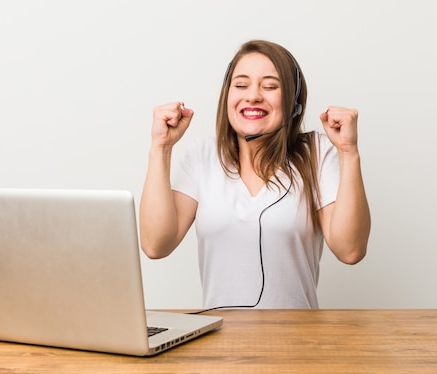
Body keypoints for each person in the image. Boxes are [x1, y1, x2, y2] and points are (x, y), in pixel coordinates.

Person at [140, 39, 370, 310]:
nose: (253, 96)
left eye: (270, 86)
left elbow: (350, 250)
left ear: (293, 102)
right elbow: (156, 245)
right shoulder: (201, 157)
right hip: (220, 343)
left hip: (299, 343)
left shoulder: (317, 154)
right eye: (240, 85)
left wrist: (348, 152)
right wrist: (161, 148)